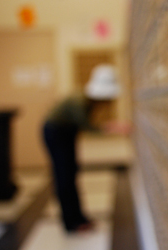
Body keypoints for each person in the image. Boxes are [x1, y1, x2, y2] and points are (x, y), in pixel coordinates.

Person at [42, 64, 126, 232]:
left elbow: (83, 126)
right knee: (64, 176)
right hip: (56, 132)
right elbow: (87, 127)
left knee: (71, 172)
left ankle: (79, 217)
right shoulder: (79, 101)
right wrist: (113, 128)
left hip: (66, 133)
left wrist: (110, 127)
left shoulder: (86, 100)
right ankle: (70, 222)